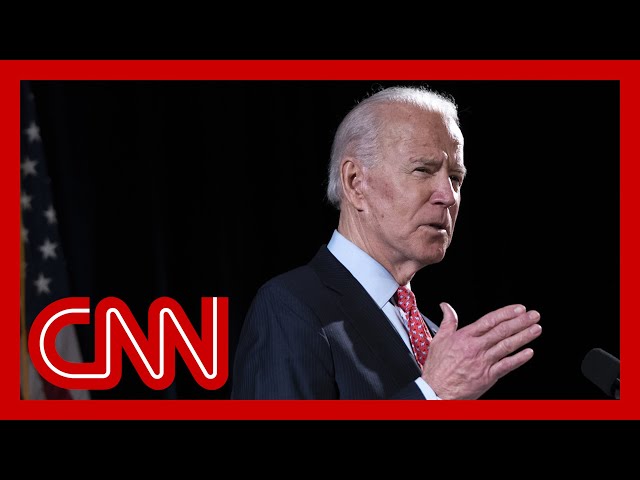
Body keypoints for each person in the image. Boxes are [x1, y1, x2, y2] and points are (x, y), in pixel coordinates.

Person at [231, 85, 542, 400]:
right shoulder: (290, 307)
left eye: (455, 178)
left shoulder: (434, 339)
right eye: (423, 170)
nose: (448, 197)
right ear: (355, 182)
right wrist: (434, 393)